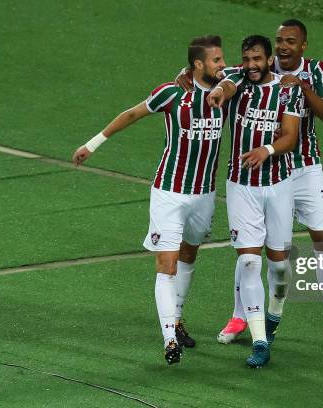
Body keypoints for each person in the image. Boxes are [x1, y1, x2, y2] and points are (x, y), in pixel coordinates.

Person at [72, 35, 227, 365]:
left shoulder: (226, 88)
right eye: (216, 60)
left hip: (204, 194)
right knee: (166, 265)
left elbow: (254, 68)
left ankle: (178, 318)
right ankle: (170, 340)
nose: (222, 65)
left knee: (189, 253)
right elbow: (132, 114)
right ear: (198, 64)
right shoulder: (171, 93)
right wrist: (92, 144)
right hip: (169, 192)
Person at [215, 19, 323, 348]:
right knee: (252, 249)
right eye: (279, 41)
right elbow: (224, 77)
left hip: (305, 167)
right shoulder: (259, 67)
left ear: (303, 45)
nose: (283, 47)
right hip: (267, 171)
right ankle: (239, 316)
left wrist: (303, 88)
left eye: (290, 41)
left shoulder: (316, 70)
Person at [207, 34, 303, 367]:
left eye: (257, 59)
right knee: (249, 261)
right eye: (246, 59)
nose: (251, 66)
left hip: (278, 184)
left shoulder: (288, 90)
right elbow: (223, 85)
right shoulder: (236, 80)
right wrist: (217, 91)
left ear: (268, 59)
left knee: (278, 265)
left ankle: (273, 316)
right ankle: (260, 341)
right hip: (241, 186)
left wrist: (267, 149)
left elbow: (291, 136)